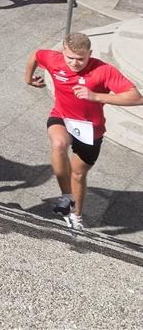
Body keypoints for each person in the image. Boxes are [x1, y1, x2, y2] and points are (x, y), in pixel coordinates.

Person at [24, 33, 142, 230]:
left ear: (90, 54)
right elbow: (36, 55)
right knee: (58, 143)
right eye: (70, 58)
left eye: (81, 59)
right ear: (63, 53)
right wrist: (28, 79)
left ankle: (76, 215)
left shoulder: (103, 70)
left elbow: (137, 98)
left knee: (78, 175)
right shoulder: (55, 60)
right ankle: (66, 196)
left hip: (91, 130)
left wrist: (96, 96)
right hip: (62, 117)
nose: (75, 63)